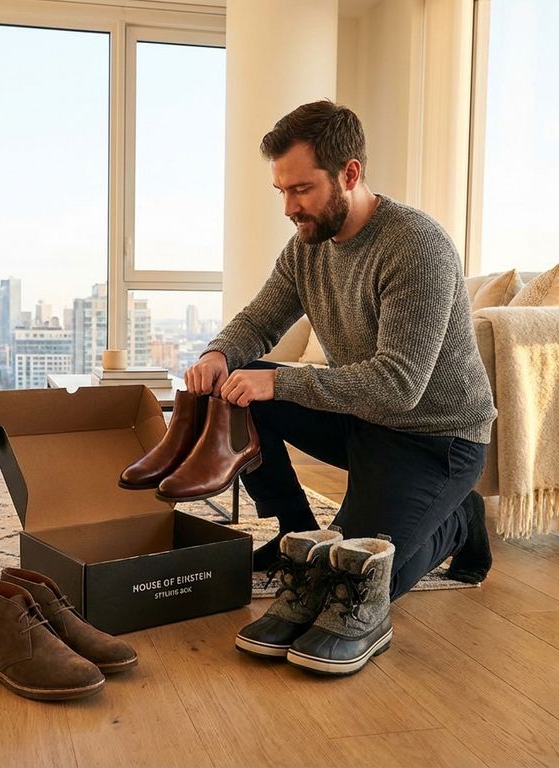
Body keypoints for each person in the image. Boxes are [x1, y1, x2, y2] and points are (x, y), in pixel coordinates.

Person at [185, 101, 496, 668]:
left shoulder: (415, 246)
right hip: (363, 420)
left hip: (434, 440)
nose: (289, 207)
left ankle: (457, 519)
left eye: (300, 189)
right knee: (239, 386)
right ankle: (295, 535)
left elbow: (398, 386)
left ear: (349, 174)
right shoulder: (307, 245)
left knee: (358, 580)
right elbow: (259, 320)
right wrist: (218, 353)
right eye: (281, 190)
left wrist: (279, 386)